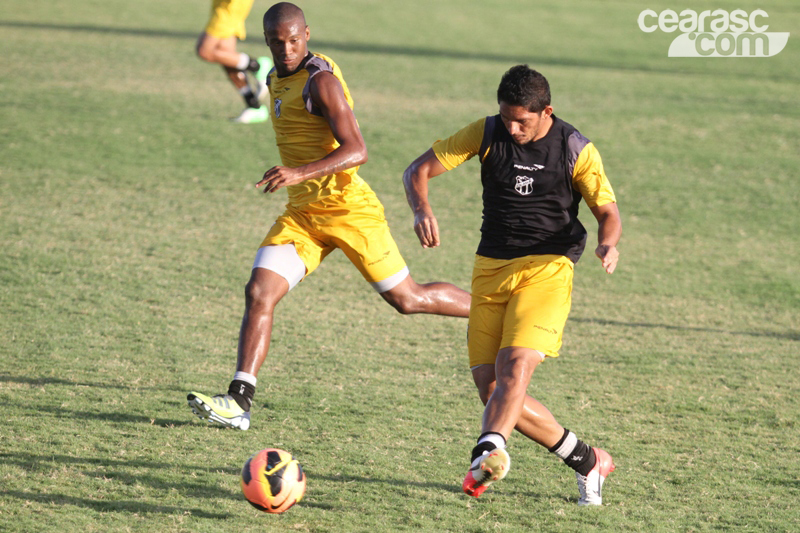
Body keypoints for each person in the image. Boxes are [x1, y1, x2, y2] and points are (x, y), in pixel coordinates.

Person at [187, 2, 471, 431]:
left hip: (349, 209)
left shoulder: (321, 83)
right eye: (278, 42)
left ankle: (497, 312)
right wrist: (298, 181)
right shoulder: (274, 77)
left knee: (408, 299)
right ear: (265, 41)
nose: (286, 49)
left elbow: (358, 149)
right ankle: (238, 401)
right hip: (303, 214)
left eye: (294, 40)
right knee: (260, 291)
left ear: (307, 34)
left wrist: (297, 172)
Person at [402, 65, 622, 505]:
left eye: (522, 120)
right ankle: (588, 460)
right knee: (495, 391)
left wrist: (608, 243)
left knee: (514, 369)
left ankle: (487, 451)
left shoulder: (574, 148)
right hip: (490, 268)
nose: (513, 127)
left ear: (547, 112)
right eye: (507, 117)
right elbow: (417, 171)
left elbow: (608, 211)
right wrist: (421, 209)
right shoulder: (485, 134)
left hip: (548, 266)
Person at [196, 0, 273, 123]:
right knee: (226, 56)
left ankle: (257, 66)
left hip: (231, 6)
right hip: (223, 4)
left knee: (205, 51)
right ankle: (254, 106)